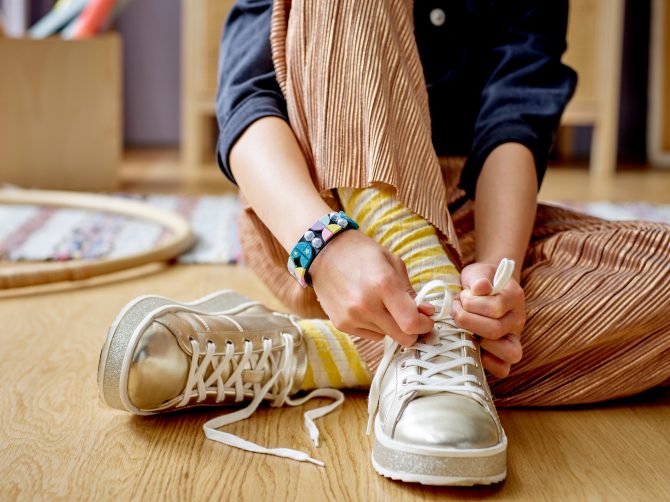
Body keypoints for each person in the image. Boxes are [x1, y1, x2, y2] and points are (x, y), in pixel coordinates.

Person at [97, 0, 670, 486]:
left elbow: (516, 116)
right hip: (311, 210)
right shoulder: (315, 228)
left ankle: (300, 355)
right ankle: (436, 334)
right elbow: (248, 100)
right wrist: (323, 243)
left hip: (469, 212)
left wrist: (497, 274)